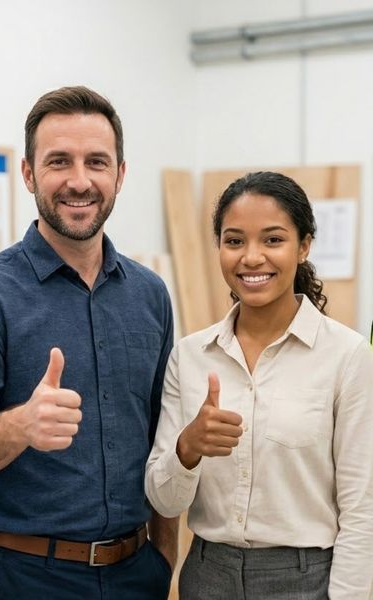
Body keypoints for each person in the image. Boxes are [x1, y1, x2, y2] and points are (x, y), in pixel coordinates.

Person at [0, 85, 177, 599]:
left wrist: (164, 557)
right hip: (26, 577)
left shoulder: (150, 294)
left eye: (97, 161)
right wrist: (21, 425)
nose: (79, 180)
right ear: (28, 174)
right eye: (59, 161)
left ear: (120, 174)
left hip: (138, 573)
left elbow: (161, 437)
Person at [146, 171, 373, 600]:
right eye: (234, 241)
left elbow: (362, 509)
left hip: (309, 581)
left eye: (272, 240)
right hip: (207, 576)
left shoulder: (346, 356)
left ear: (304, 245)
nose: (251, 258)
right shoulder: (190, 357)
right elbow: (165, 502)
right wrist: (187, 448)